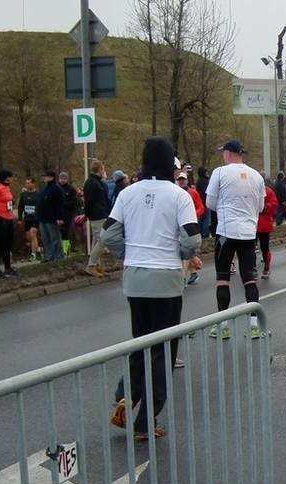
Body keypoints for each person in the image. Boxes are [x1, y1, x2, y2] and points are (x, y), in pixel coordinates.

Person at [103, 137, 200, 440]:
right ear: (170, 163)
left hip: (135, 278)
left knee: (140, 342)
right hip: (166, 279)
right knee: (162, 352)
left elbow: (107, 235)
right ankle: (146, 421)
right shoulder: (179, 195)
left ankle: (126, 393)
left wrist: (126, 254)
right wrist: (182, 255)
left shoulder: (127, 193)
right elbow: (192, 240)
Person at [205, 139, 265, 340]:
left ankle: (222, 325)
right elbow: (261, 207)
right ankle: (254, 324)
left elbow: (210, 203)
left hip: (226, 231)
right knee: (249, 277)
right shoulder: (256, 175)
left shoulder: (220, 172)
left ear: (229, 153)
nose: (223, 155)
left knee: (223, 278)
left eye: (224, 152)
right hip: (248, 232)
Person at [176, 171, 204, 285]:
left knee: (185, 249)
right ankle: (193, 272)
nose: (181, 181)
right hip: (178, 225)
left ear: (187, 180)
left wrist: (192, 215)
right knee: (184, 250)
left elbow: (201, 208)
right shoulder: (175, 193)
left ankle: (182, 278)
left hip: (190, 226)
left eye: (183, 179)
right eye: (179, 180)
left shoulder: (193, 193)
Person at [83, 160, 110, 277]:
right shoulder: (91, 183)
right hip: (96, 216)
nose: (104, 171)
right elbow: (89, 201)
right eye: (103, 169)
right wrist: (87, 214)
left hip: (101, 214)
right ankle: (91, 265)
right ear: (99, 170)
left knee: (96, 241)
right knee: (102, 240)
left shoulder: (98, 182)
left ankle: (97, 265)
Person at [36, 170, 65, 262]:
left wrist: (59, 218)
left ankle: (58, 256)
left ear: (51, 177)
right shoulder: (43, 188)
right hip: (42, 218)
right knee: (45, 239)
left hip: (52, 218)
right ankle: (49, 256)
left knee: (55, 238)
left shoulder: (56, 189)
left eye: (46, 176)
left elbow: (59, 204)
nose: (44, 178)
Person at [257, 175, 278, 279]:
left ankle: (266, 267)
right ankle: (252, 268)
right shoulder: (250, 190)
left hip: (263, 223)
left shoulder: (268, 191)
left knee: (264, 248)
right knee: (250, 248)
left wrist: (265, 207)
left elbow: (274, 204)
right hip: (252, 224)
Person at [17, 178, 40, 261]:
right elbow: (20, 207)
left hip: (36, 218)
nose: (27, 185)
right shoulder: (23, 194)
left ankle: (33, 255)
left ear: (34, 184)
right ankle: (39, 249)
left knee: (33, 234)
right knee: (28, 238)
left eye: (29, 183)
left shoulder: (38, 194)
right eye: (26, 183)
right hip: (27, 219)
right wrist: (19, 218)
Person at [59, 172, 78, 255]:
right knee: (59, 232)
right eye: (61, 178)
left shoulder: (71, 189)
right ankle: (61, 248)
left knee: (65, 231)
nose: (62, 180)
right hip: (58, 213)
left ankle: (66, 249)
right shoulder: (57, 188)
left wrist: (65, 204)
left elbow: (74, 202)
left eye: (64, 179)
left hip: (68, 213)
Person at [195, 166, 212, 237]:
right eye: (206, 172)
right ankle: (204, 235)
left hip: (201, 204)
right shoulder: (204, 181)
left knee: (201, 221)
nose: (207, 173)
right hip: (204, 204)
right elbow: (204, 192)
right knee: (205, 221)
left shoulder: (199, 181)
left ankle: (200, 234)